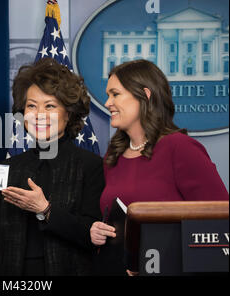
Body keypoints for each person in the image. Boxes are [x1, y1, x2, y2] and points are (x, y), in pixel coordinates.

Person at [90, 59, 228, 272]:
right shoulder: (113, 155)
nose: (108, 103)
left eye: (115, 94)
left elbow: (219, 221)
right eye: (108, 95)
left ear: (145, 94)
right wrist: (99, 231)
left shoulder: (180, 148)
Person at [0, 58, 105, 275]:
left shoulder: (90, 165)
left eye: (50, 106)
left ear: (69, 113)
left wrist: (46, 210)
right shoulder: (7, 168)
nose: (39, 115)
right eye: (31, 106)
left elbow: (94, 235)